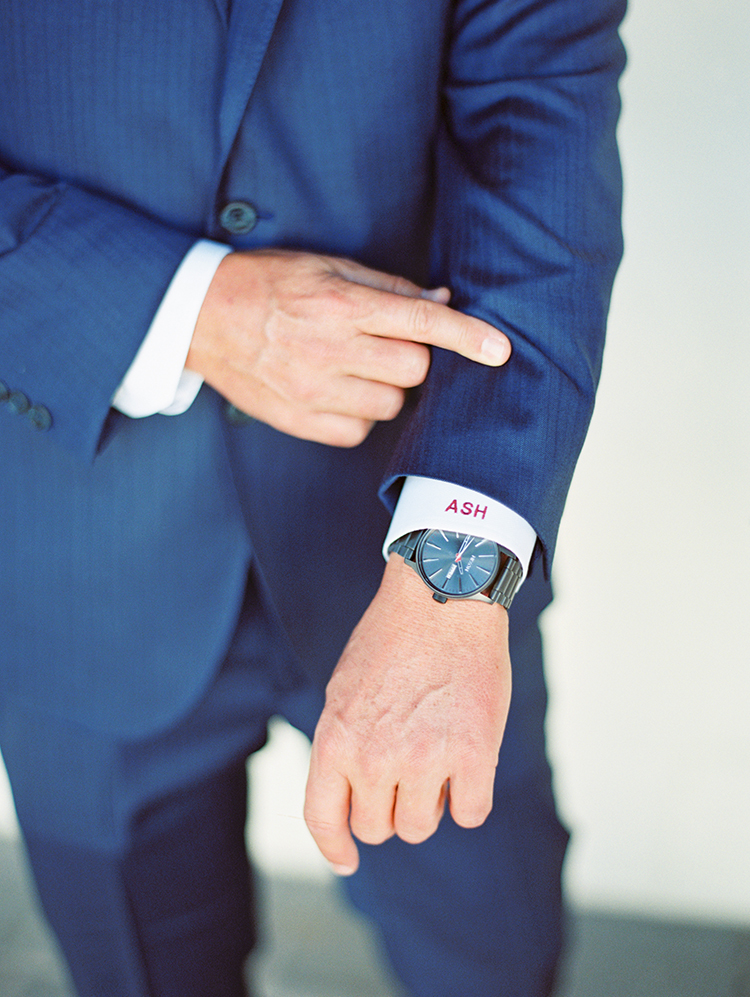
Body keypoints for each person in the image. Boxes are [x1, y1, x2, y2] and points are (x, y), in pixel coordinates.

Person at [0, 1, 626, 995]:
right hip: (68, 534)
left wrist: (453, 565)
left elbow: (538, 136)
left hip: (412, 534)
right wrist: (190, 311)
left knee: (495, 960)